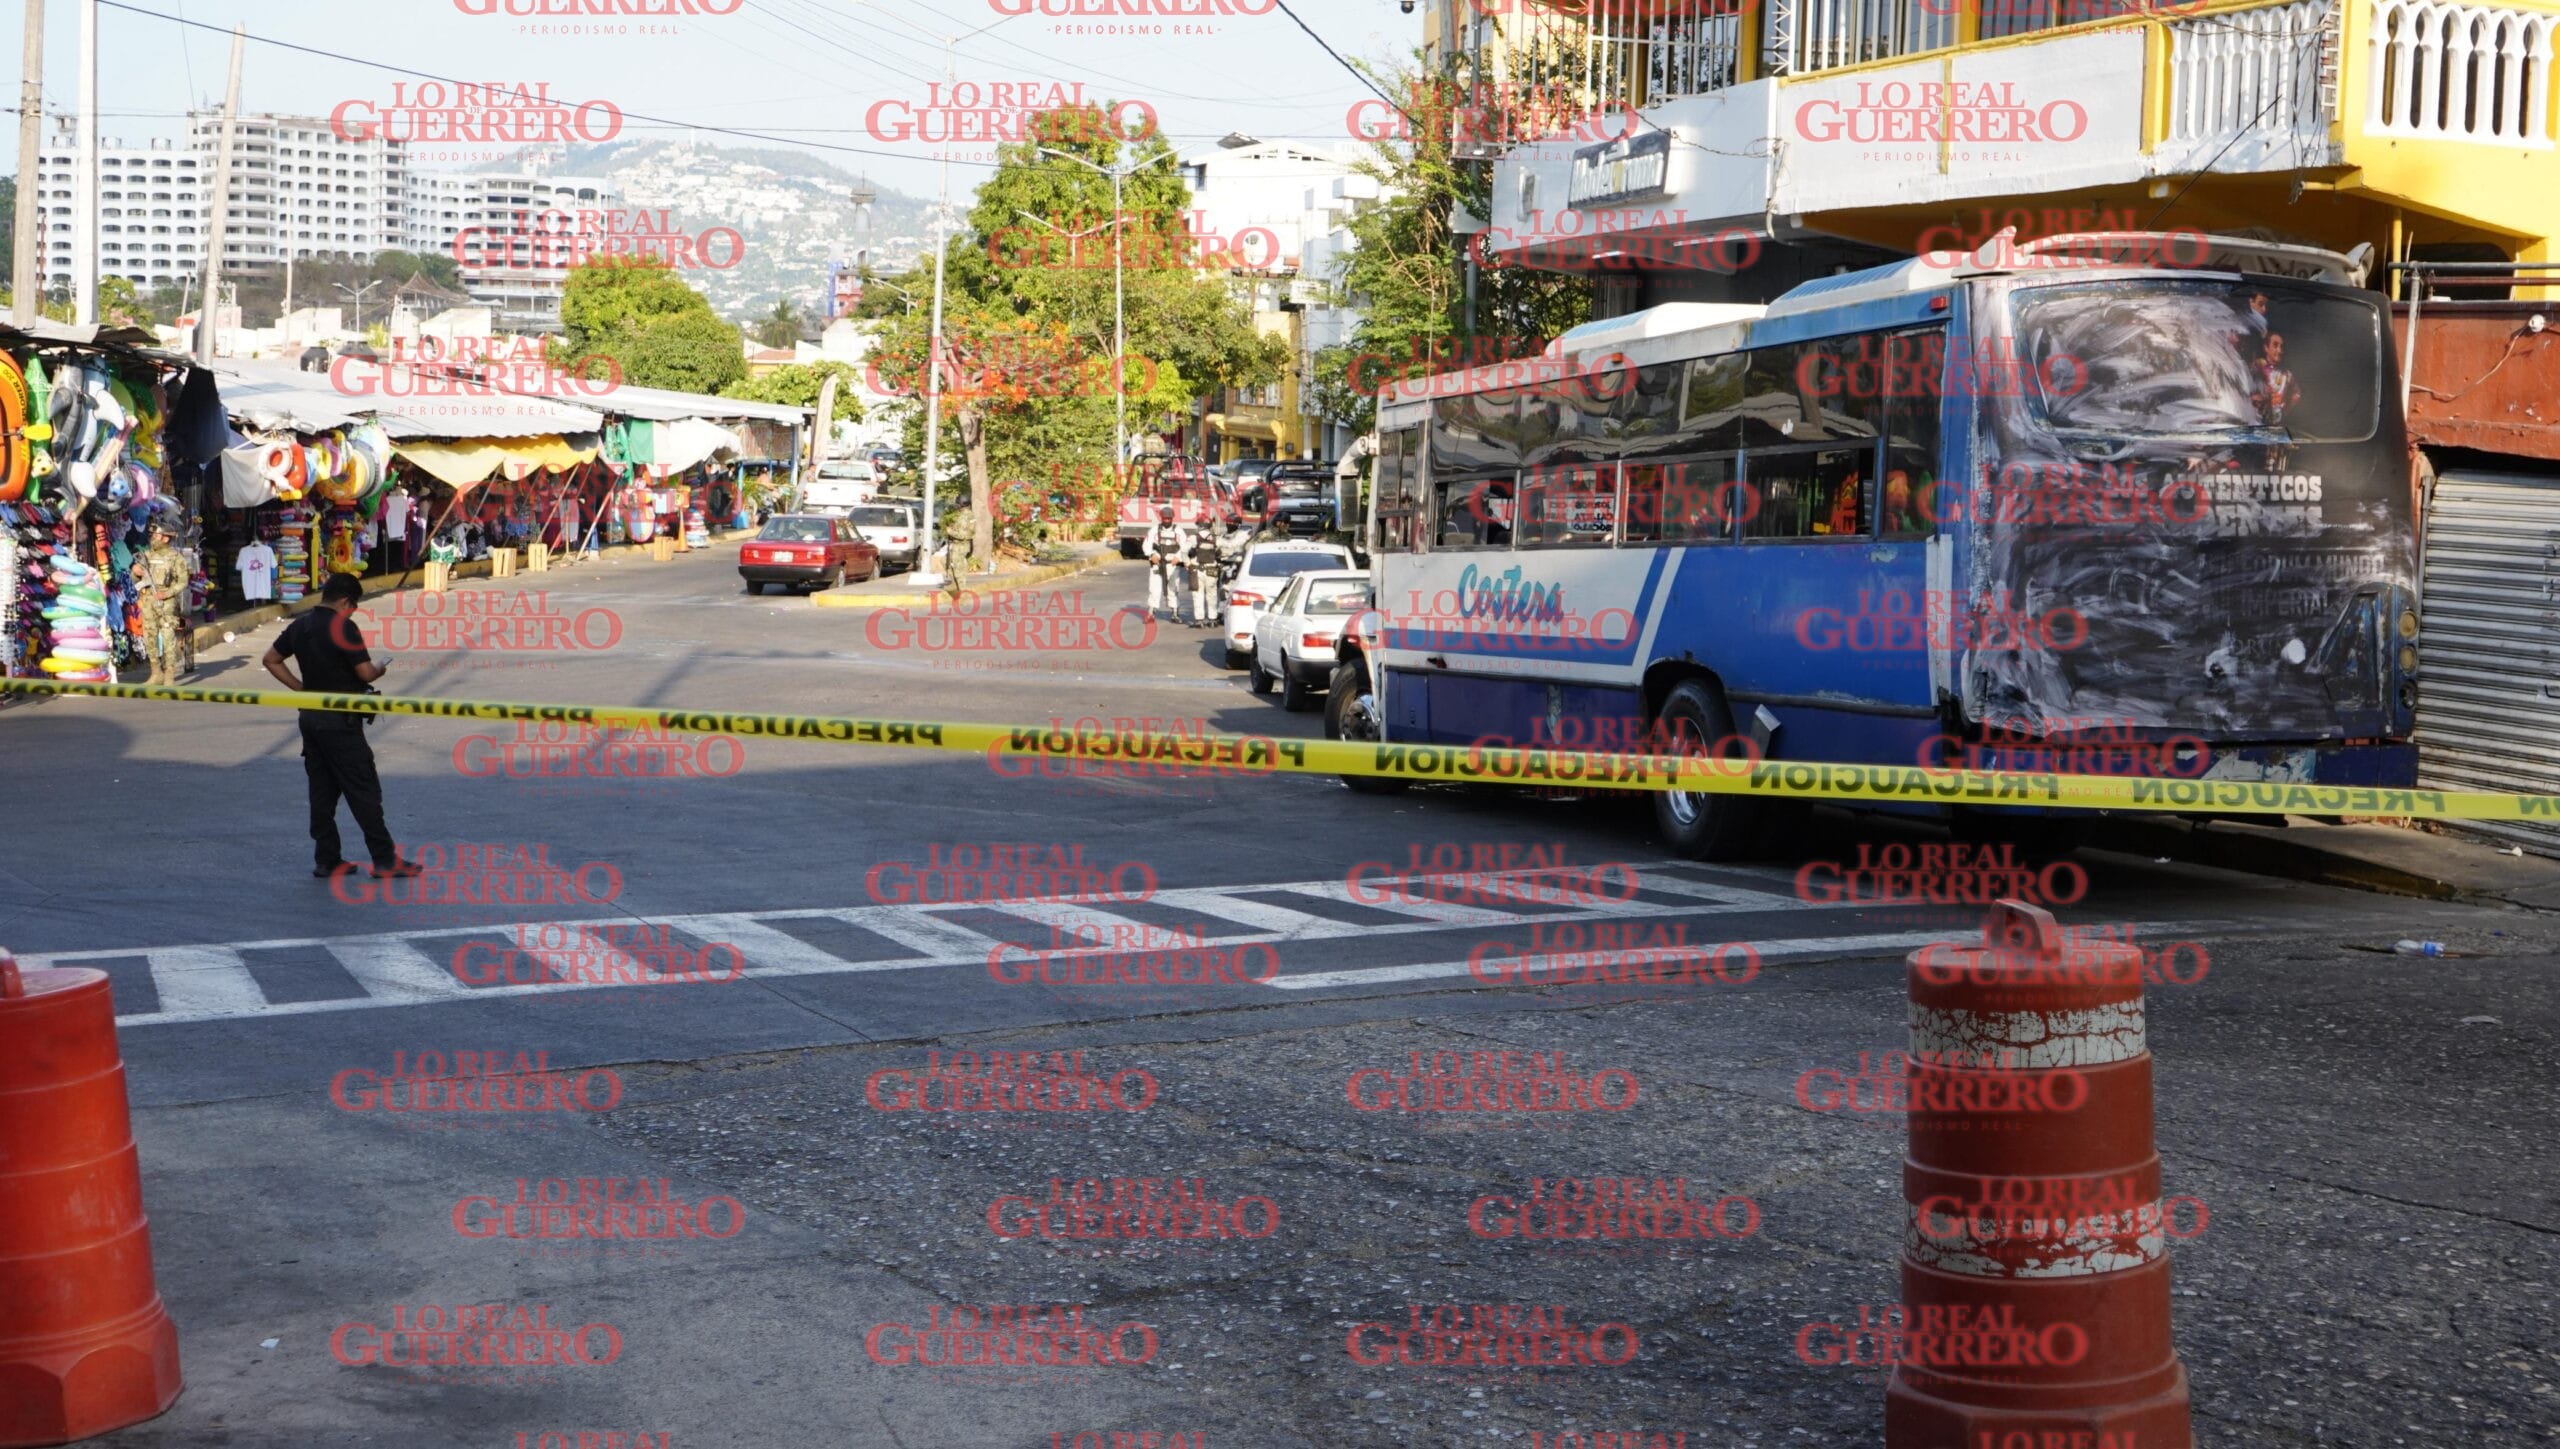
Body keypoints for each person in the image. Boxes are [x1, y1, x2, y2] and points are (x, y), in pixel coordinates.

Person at [262, 573, 417, 881]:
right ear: (346, 601)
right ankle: (384, 859)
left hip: (311, 718)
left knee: (322, 792)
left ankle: (327, 859)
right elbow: (365, 673)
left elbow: (271, 659)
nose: (352, 612)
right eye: (353, 607)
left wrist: (302, 690)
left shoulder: (300, 625)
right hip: (340, 723)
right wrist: (381, 667)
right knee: (363, 789)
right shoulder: (344, 627)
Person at [134, 519, 192, 685]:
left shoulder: (176, 557)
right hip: (148, 600)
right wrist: (135, 572)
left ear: (166, 538)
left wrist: (167, 593)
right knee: (149, 637)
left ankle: (169, 675)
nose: (153, 537)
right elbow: (136, 579)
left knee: (168, 638)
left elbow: (183, 581)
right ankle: (155, 672)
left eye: (157, 535)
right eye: (153, 535)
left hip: (166, 603)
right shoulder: (146, 555)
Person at [1144, 505, 1187, 620]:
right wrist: (1151, 554)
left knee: (1173, 588)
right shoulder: (1154, 530)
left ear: (1172, 518)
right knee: (1154, 588)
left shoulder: (1178, 531)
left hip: (1172, 564)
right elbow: (1146, 545)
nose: (1167, 520)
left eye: (1169, 518)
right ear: (1161, 518)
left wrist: (1178, 557)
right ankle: (1151, 612)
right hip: (1158, 564)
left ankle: (1175, 613)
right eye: (1165, 518)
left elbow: (1185, 546)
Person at [1187, 518, 1224, 628]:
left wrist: (1187, 562)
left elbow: (1184, 550)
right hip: (1212, 570)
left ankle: (1199, 620)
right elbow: (1223, 551)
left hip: (1197, 570)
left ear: (1200, 526)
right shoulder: (1216, 538)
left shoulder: (1193, 538)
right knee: (1212, 595)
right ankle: (1212, 619)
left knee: (1198, 594)